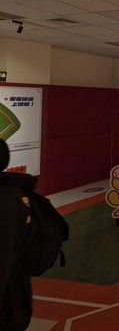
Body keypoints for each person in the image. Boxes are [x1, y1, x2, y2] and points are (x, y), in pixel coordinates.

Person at [0, 139, 35, 331]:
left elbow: (4, 252)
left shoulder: (5, 198)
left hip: (9, 297)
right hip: (16, 290)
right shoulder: (16, 192)